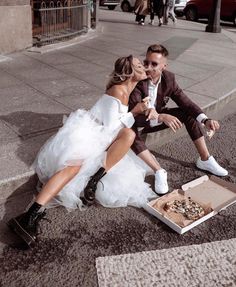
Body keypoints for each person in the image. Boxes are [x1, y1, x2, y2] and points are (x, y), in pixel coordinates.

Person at [8, 55, 157, 248]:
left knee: (128, 135)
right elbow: (111, 127)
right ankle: (30, 215)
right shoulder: (118, 91)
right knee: (72, 168)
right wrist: (134, 112)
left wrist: (140, 111)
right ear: (129, 72)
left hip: (100, 136)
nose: (145, 67)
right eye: (140, 65)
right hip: (87, 134)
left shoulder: (129, 91)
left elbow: (116, 128)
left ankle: (94, 180)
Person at [128, 44, 228, 195]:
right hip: (135, 121)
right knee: (130, 132)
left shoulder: (169, 78)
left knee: (187, 113)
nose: (148, 67)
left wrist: (206, 120)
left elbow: (185, 102)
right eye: (146, 62)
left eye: (154, 64)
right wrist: (161, 117)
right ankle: (159, 171)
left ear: (164, 66)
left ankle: (205, 159)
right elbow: (133, 113)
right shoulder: (138, 79)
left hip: (156, 118)